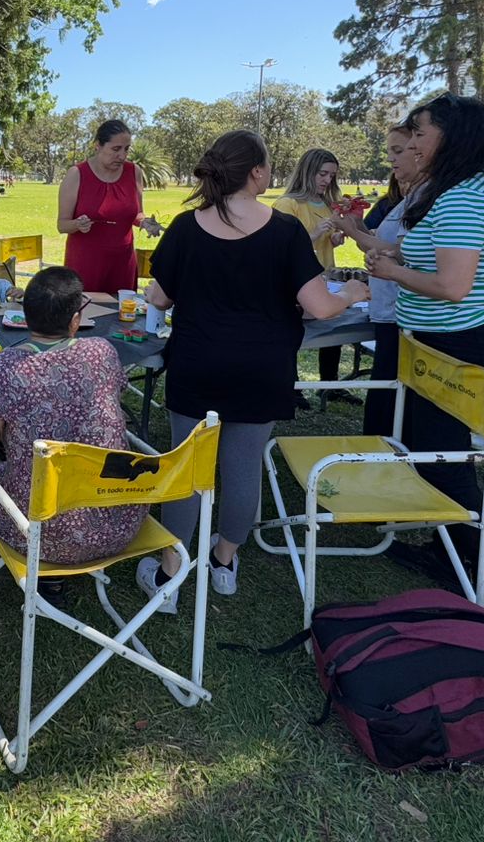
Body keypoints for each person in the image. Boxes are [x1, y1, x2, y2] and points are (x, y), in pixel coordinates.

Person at [138, 130, 369, 610]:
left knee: (187, 469)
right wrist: (350, 293)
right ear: (257, 172)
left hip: (197, 365)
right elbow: (320, 307)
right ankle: (224, 561)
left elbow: (158, 298)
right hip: (261, 368)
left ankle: (170, 571)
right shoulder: (284, 232)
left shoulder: (185, 226)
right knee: (242, 470)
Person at [364, 94, 484, 624]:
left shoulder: (464, 195)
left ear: (452, 137)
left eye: (420, 133)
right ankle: (447, 554)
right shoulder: (468, 187)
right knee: (428, 451)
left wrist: (393, 272)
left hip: (460, 345)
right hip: (441, 340)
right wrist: (399, 255)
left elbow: (454, 286)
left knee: (449, 461)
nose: (411, 144)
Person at [0, 267, 145, 591]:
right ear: (75, 320)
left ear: (25, 315)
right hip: (117, 517)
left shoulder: (5, 368)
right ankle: (52, 578)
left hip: (38, 527)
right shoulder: (102, 353)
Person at [334, 126, 419, 437]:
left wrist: (355, 231)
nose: (391, 161)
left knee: (390, 389)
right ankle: (378, 448)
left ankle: (381, 450)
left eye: (399, 151)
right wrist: (356, 225)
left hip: (403, 311)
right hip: (387, 307)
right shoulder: (398, 200)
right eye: (390, 153)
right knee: (385, 388)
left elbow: (400, 251)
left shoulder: (425, 202)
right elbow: (378, 244)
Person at [274, 148, 353, 408]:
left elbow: (327, 245)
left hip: (325, 276)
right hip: (296, 281)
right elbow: (281, 248)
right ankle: (292, 387)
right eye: (322, 174)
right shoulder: (289, 204)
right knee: (293, 334)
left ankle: (330, 385)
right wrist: (316, 231)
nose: (327, 180)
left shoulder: (329, 204)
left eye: (332, 175)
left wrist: (336, 238)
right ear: (307, 172)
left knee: (334, 328)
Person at [58, 120, 161, 294]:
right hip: (86, 263)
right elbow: (62, 225)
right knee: (84, 316)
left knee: (124, 316)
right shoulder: (77, 174)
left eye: (126, 149)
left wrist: (145, 223)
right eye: (116, 149)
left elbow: (137, 214)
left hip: (123, 263)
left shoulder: (134, 172)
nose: (122, 155)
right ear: (98, 145)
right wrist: (77, 224)